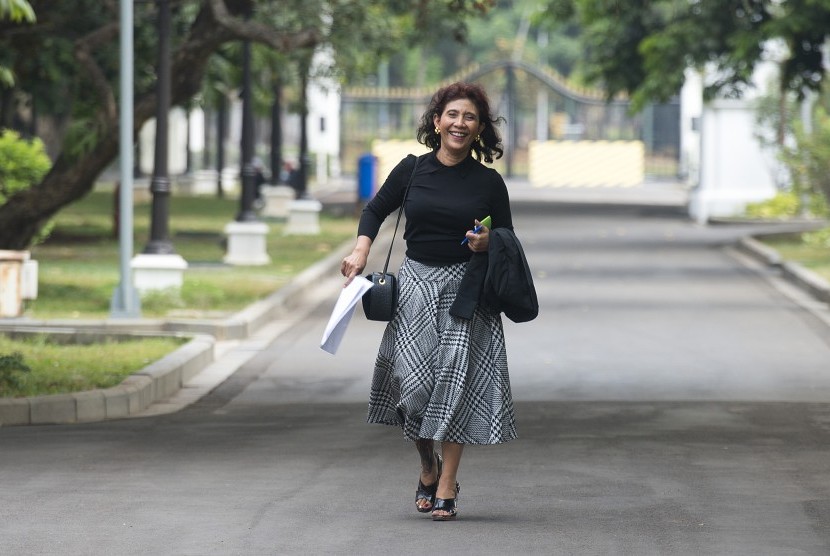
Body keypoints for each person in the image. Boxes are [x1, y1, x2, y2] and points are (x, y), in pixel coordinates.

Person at [340, 82, 517, 521]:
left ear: (479, 130)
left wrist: (486, 243)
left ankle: (447, 483)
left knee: (455, 387)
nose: (460, 123)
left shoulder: (489, 182)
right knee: (414, 390)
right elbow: (375, 209)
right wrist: (362, 248)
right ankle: (427, 464)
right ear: (437, 121)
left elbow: (507, 239)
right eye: (452, 115)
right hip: (415, 285)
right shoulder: (413, 169)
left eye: (470, 117)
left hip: (466, 292)